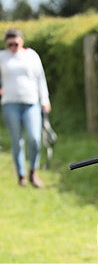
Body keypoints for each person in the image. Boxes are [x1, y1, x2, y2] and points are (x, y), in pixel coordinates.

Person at [0, 27, 51, 187]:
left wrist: (45, 99)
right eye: (10, 45)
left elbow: (40, 78)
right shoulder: (2, 57)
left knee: (34, 138)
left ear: (21, 41)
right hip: (10, 103)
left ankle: (33, 172)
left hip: (31, 102)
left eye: (15, 43)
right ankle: (21, 174)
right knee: (17, 141)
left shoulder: (31, 56)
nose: (13, 47)